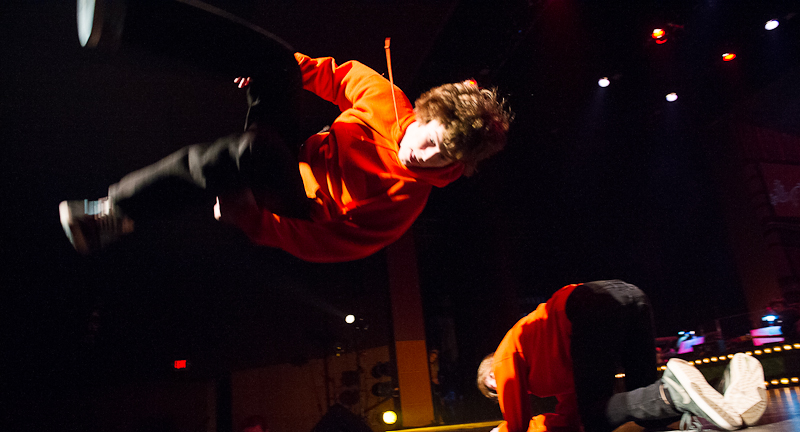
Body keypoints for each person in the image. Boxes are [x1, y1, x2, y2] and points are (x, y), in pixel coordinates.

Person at [59, 45, 512, 263]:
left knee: (247, 152)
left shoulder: (404, 202)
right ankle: (164, 31)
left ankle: (110, 214)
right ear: (424, 110)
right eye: (425, 136)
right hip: (294, 152)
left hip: (298, 204)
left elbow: (328, 245)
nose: (421, 153)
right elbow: (331, 75)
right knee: (276, 62)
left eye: (439, 157)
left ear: (453, 164)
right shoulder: (389, 101)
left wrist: (254, 220)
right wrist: (269, 71)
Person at [476, 280, 768, 432]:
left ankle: (671, 390)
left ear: (491, 379)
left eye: (495, 390)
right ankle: (724, 388)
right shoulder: (545, 360)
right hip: (630, 295)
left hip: (587, 306)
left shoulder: (504, 357)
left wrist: (503, 431)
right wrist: (543, 424)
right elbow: (570, 414)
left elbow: (516, 423)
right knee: (646, 406)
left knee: (597, 420)